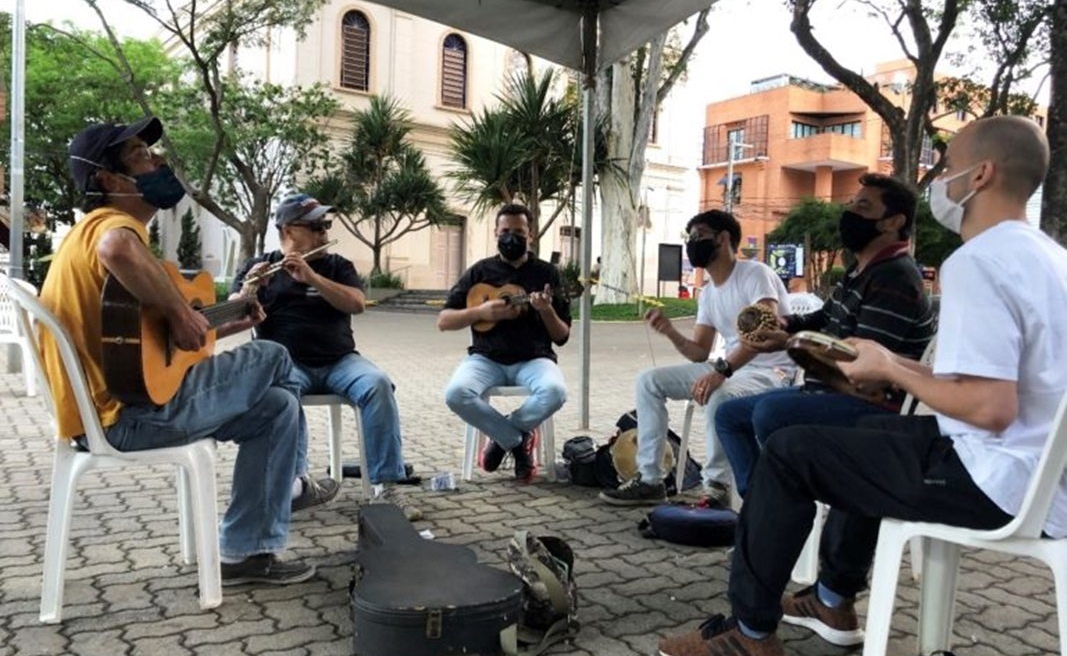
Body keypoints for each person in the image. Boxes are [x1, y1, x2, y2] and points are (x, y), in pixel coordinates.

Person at [657, 115, 1067, 656]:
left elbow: (990, 406)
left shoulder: (978, 262)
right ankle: (831, 597)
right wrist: (890, 361)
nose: (939, 179)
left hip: (998, 479)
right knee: (858, 438)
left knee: (790, 452)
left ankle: (749, 635)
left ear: (983, 175)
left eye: (948, 167)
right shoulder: (1048, 257)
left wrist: (893, 375)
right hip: (1031, 469)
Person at [43, 116, 314, 586]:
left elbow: (149, 343)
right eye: (141, 156)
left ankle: (246, 553)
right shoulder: (109, 226)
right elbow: (117, 249)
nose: (158, 161)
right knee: (272, 356)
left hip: (129, 407)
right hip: (123, 418)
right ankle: (298, 481)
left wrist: (220, 325)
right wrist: (179, 310)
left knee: (279, 408)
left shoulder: (88, 235)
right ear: (108, 179)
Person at [713, 172, 937, 496]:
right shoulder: (860, 269)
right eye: (851, 204)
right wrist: (782, 326)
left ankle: (781, 510)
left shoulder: (895, 277)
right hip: (830, 391)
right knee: (729, 416)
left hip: (874, 404)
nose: (849, 214)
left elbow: (860, 363)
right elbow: (823, 318)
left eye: (862, 207)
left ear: (892, 222)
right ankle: (760, 505)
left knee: (769, 414)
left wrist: (790, 344)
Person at [231, 194, 420, 521]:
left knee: (378, 384)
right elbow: (233, 313)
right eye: (315, 226)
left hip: (340, 360)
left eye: (326, 225)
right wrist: (249, 290)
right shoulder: (259, 266)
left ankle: (388, 486)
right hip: (288, 364)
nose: (323, 233)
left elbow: (357, 304)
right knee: (281, 396)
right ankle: (296, 484)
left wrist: (313, 278)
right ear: (288, 230)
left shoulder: (337, 266)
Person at [598, 211, 795, 508]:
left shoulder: (755, 274)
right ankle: (650, 480)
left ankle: (717, 487)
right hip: (729, 368)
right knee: (648, 381)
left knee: (721, 397)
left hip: (770, 370)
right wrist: (671, 332)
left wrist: (721, 371)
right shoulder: (708, 294)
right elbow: (700, 352)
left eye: (699, 235)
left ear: (724, 238)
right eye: (690, 236)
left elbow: (763, 329)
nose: (692, 242)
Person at [438, 203, 570, 482]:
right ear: (496, 233)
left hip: (535, 358)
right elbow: (444, 321)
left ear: (530, 235)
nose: (512, 237)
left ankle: (502, 438)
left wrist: (546, 309)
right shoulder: (479, 272)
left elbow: (562, 336)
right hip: (485, 357)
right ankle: (516, 440)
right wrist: (479, 313)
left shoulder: (547, 275)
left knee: (555, 391)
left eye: (519, 232)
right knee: (455, 393)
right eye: (505, 231)